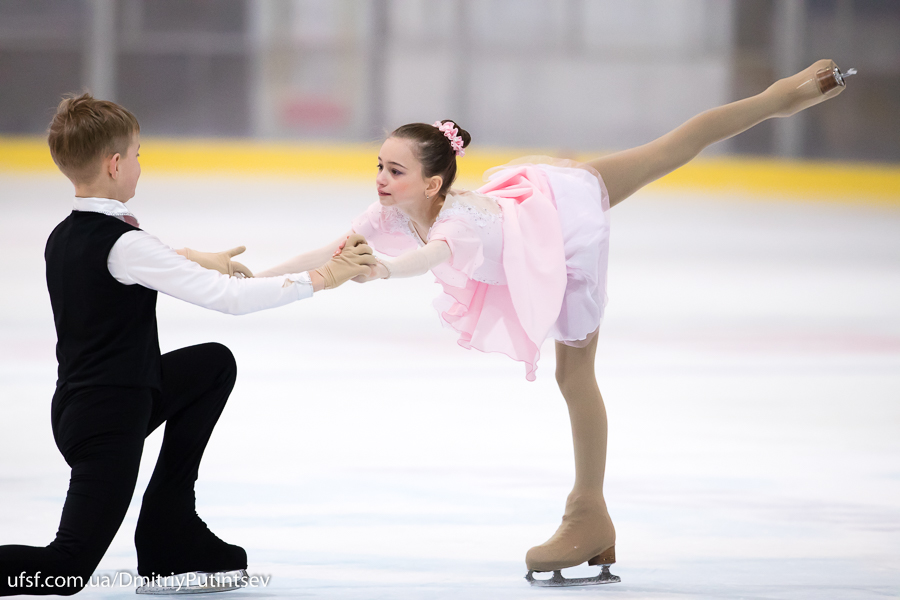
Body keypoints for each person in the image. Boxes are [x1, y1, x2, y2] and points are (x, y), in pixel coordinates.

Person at [216, 59, 853, 586]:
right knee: (663, 163)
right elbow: (327, 251)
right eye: (379, 167)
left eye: (395, 170)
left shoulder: (456, 221)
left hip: (562, 229)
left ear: (433, 183)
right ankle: (590, 514)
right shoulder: (390, 212)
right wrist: (255, 277)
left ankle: (780, 96)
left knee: (577, 368)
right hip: (533, 202)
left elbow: (428, 259)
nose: (381, 179)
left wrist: (380, 271)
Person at [0, 93, 375, 597]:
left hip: (93, 404)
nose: (140, 165)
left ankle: (168, 527)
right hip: (107, 423)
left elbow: (122, 265)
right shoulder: (124, 243)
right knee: (63, 570)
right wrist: (322, 278)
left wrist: (192, 258)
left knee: (211, 366)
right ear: (114, 165)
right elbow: (229, 299)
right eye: (137, 155)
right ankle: (163, 532)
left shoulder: (65, 235)